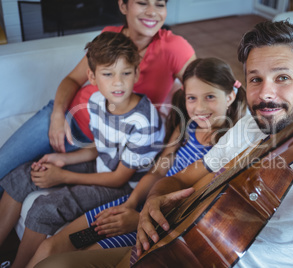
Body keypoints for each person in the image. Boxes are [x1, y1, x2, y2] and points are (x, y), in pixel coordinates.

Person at [35, 20, 293, 268]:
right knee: (54, 262)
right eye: (255, 79)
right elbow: (185, 177)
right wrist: (155, 200)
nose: (265, 93)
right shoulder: (251, 125)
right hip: (170, 246)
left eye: (282, 78)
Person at [27, 57, 247, 267]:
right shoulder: (187, 127)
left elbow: (195, 207)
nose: (199, 108)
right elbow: (157, 173)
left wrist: (139, 219)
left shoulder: (226, 148)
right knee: (56, 244)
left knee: (84, 257)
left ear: (229, 96)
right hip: (138, 201)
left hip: (160, 223)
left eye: (210, 97)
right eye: (192, 98)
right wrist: (129, 205)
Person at [0, 31, 166, 268]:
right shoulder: (97, 102)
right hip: (103, 167)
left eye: (126, 73)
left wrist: (63, 175)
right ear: (92, 76)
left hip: (123, 188)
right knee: (24, 174)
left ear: (137, 73)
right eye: (108, 74)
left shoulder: (144, 122)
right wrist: (63, 159)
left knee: (45, 208)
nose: (118, 82)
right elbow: (100, 149)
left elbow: (118, 178)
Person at [0, 0, 196, 194]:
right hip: (68, 116)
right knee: (4, 166)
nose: (152, 12)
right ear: (123, 6)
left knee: (22, 178)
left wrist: (170, 148)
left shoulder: (174, 47)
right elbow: (72, 80)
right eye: (143, 3)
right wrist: (58, 115)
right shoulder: (109, 36)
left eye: (160, 5)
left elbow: (201, 93)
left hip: (103, 140)